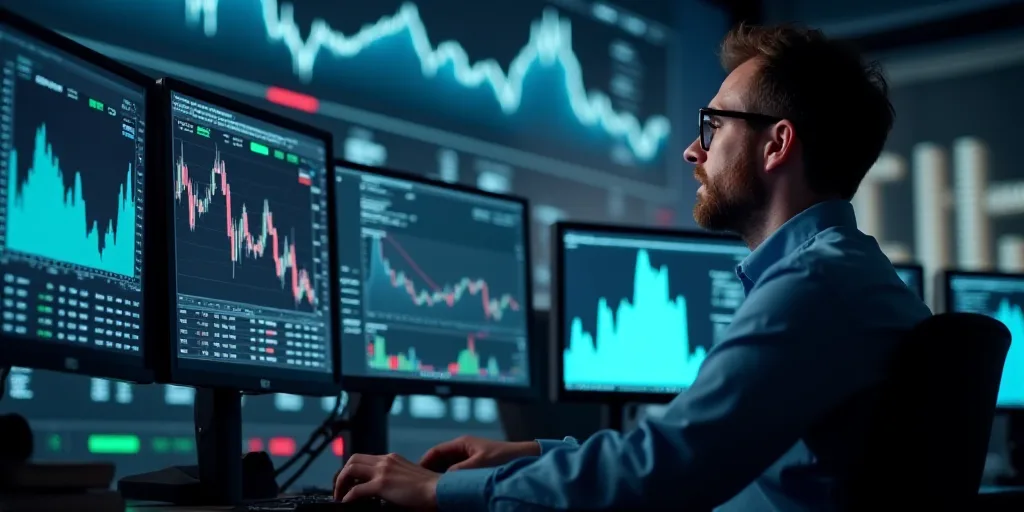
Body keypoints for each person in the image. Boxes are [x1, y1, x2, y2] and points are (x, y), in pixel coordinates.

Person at [332, 23, 933, 511]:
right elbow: (693, 452)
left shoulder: (814, 288)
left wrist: (440, 490)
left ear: (776, 145)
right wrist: (534, 454)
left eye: (714, 125)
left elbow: (663, 474)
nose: (692, 150)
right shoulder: (852, 273)